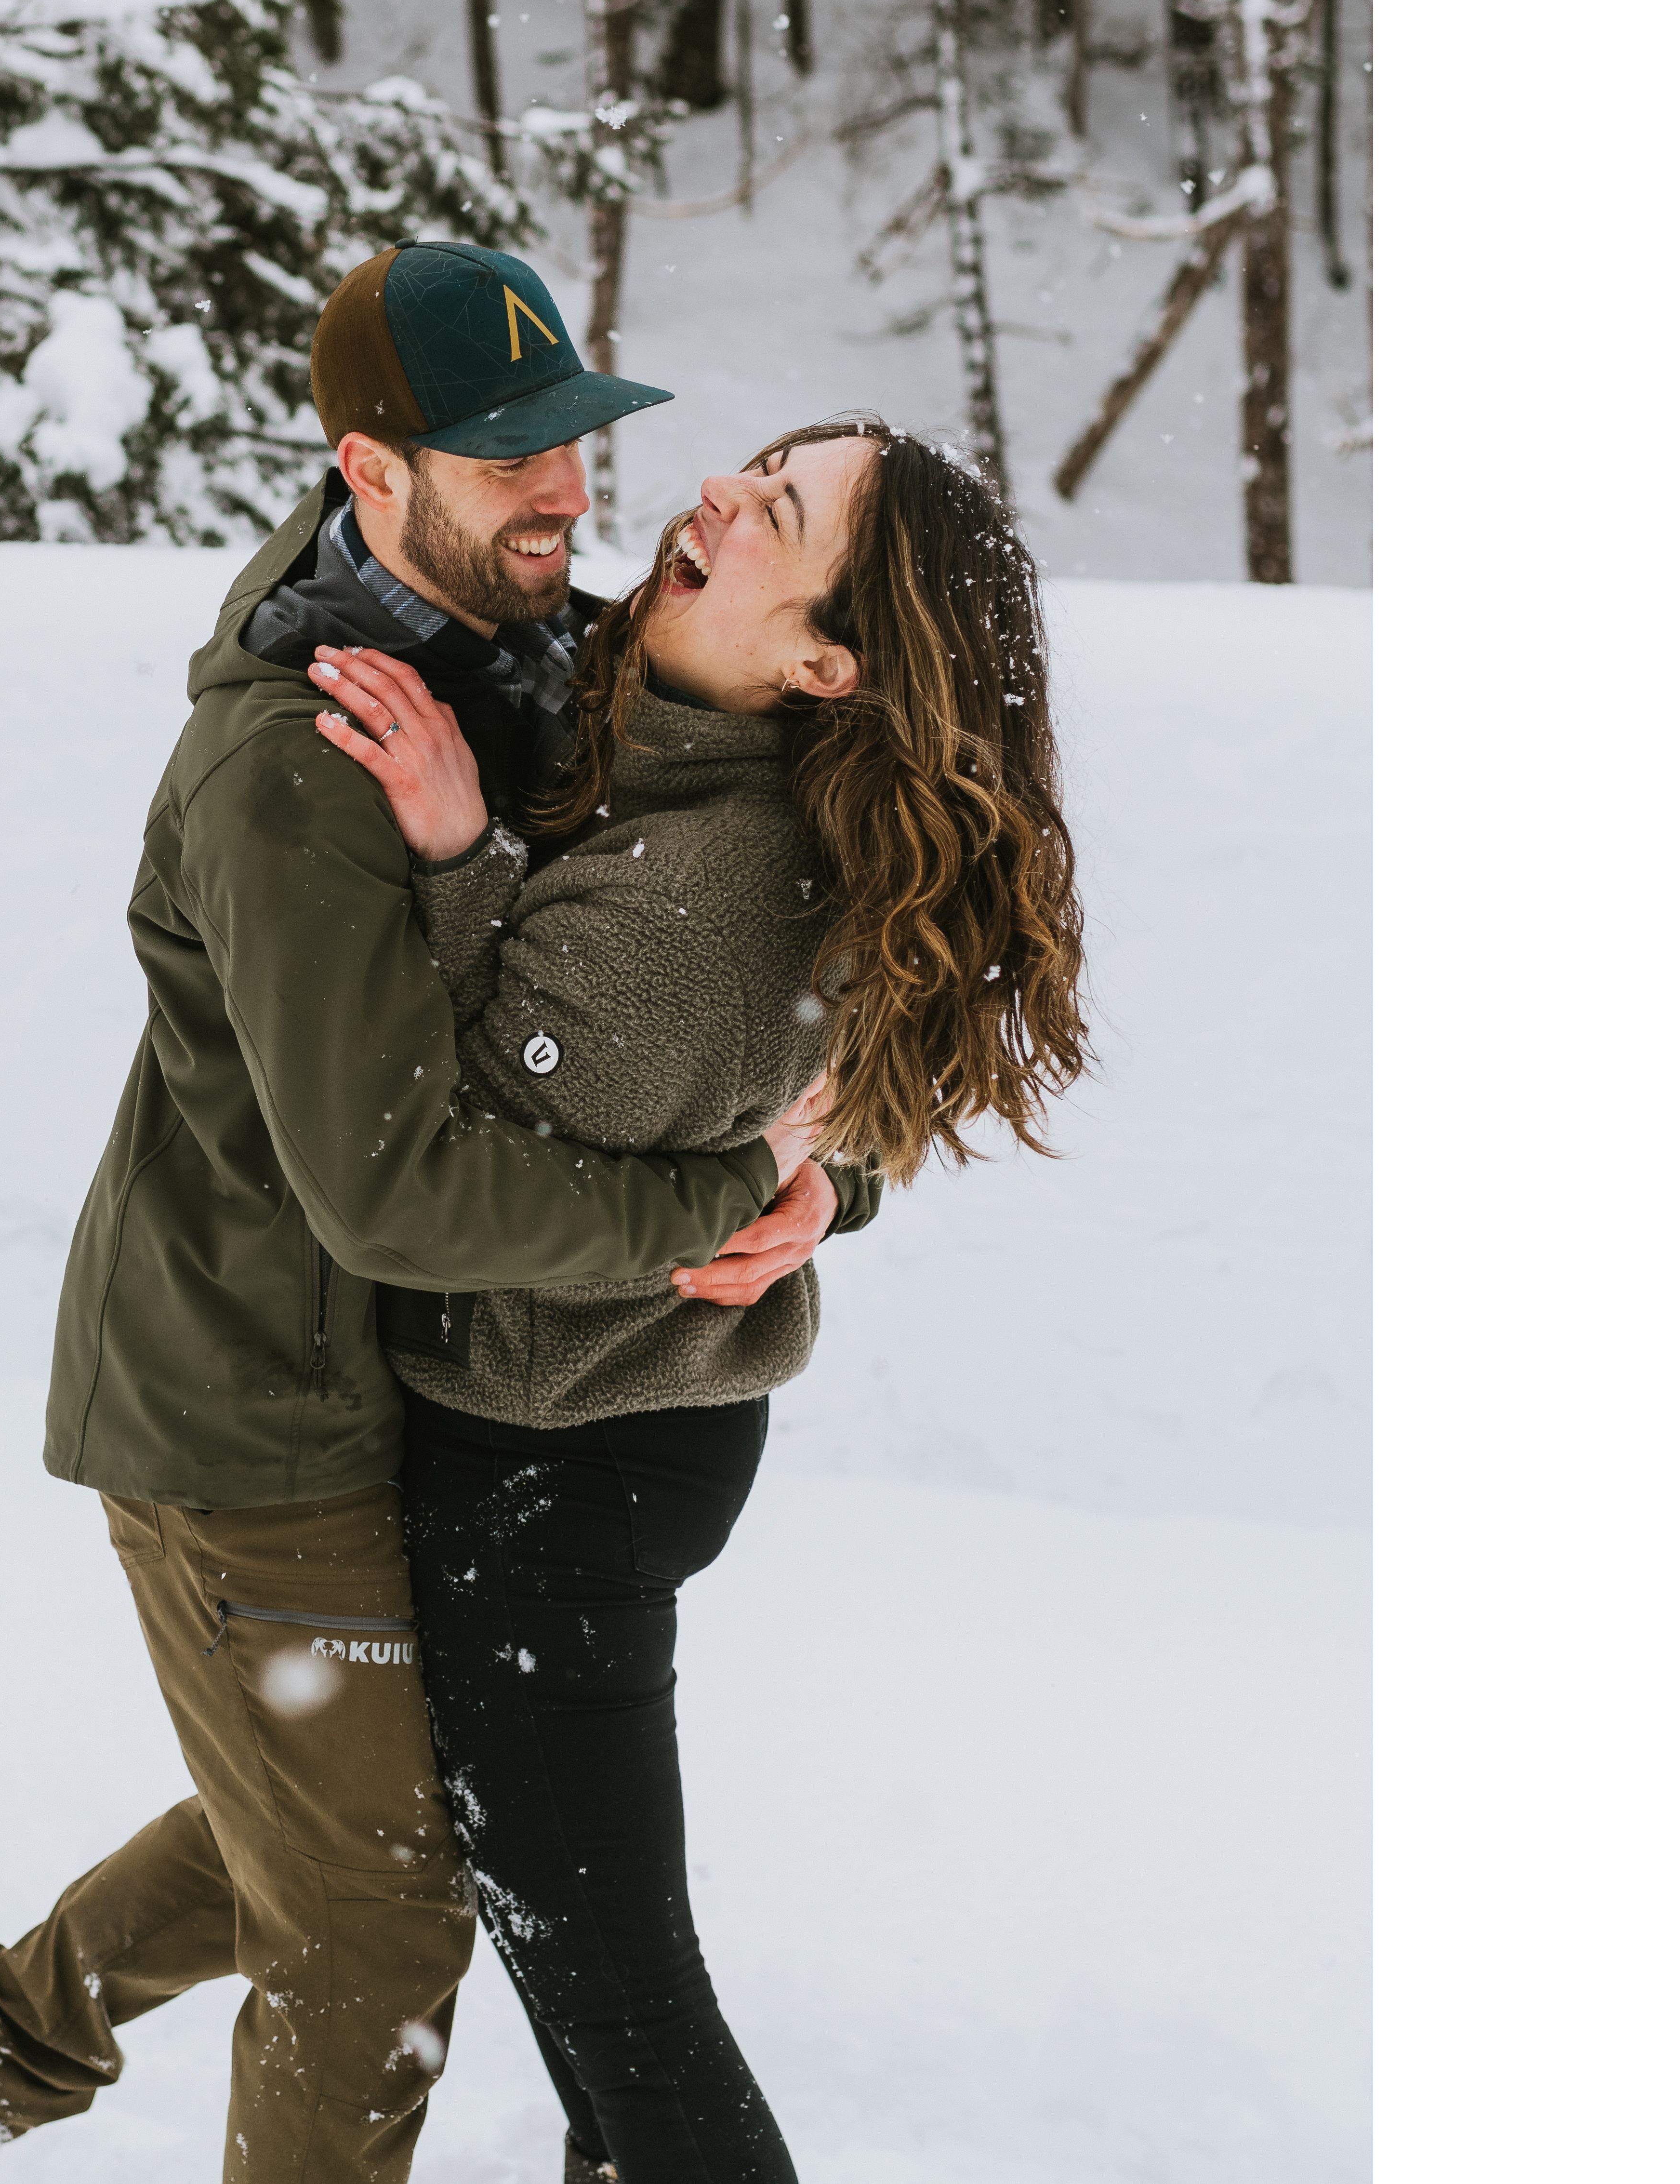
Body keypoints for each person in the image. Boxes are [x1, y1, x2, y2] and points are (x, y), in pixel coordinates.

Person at [0, 245, 872, 2184]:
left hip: (409, 1387)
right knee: (372, 1915)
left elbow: (687, 1015)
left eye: (570, 436)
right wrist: (711, 1201)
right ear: (367, 467)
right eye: (503, 460)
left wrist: (822, 1176)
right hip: (251, 1406)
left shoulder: (539, 657)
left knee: (336, 1817)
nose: (565, 491)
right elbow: (393, 1181)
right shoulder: (287, 767)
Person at [304, 419, 1091, 2184]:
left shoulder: (707, 895)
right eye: (753, 462)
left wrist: (452, 860)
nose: (718, 495)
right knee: (423, 1887)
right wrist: (824, 1180)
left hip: (553, 1465)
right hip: (613, 1432)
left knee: (627, 2025)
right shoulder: (659, 704)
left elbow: (466, 1145)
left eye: (779, 512)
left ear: (825, 658)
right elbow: (789, 1093)